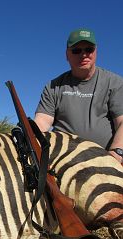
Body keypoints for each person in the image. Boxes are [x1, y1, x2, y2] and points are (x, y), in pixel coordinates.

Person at [34, 28, 123, 164]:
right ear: (67, 54)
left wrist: (115, 154)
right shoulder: (53, 86)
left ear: (96, 52)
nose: (83, 55)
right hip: (61, 161)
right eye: (76, 50)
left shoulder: (115, 82)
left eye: (89, 49)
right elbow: (42, 122)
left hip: (105, 160)